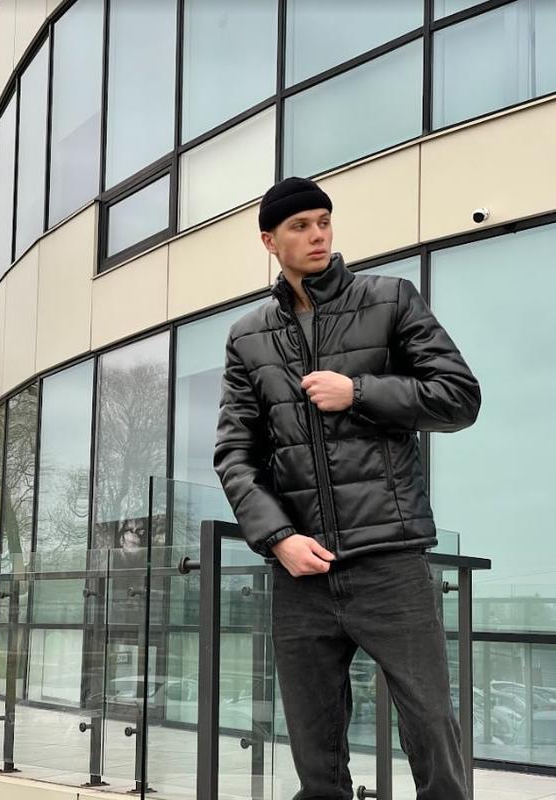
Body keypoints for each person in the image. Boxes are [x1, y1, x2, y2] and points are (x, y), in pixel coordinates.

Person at [213, 176, 481, 800]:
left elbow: (458, 397)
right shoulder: (247, 337)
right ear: (269, 241)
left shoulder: (389, 299)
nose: (317, 235)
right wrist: (278, 538)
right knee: (315, 754)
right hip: (301, 572)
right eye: (300, 226)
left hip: (391, 562)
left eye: (323, 221)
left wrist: (358, 392)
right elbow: (235, 455)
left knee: (432, 733)